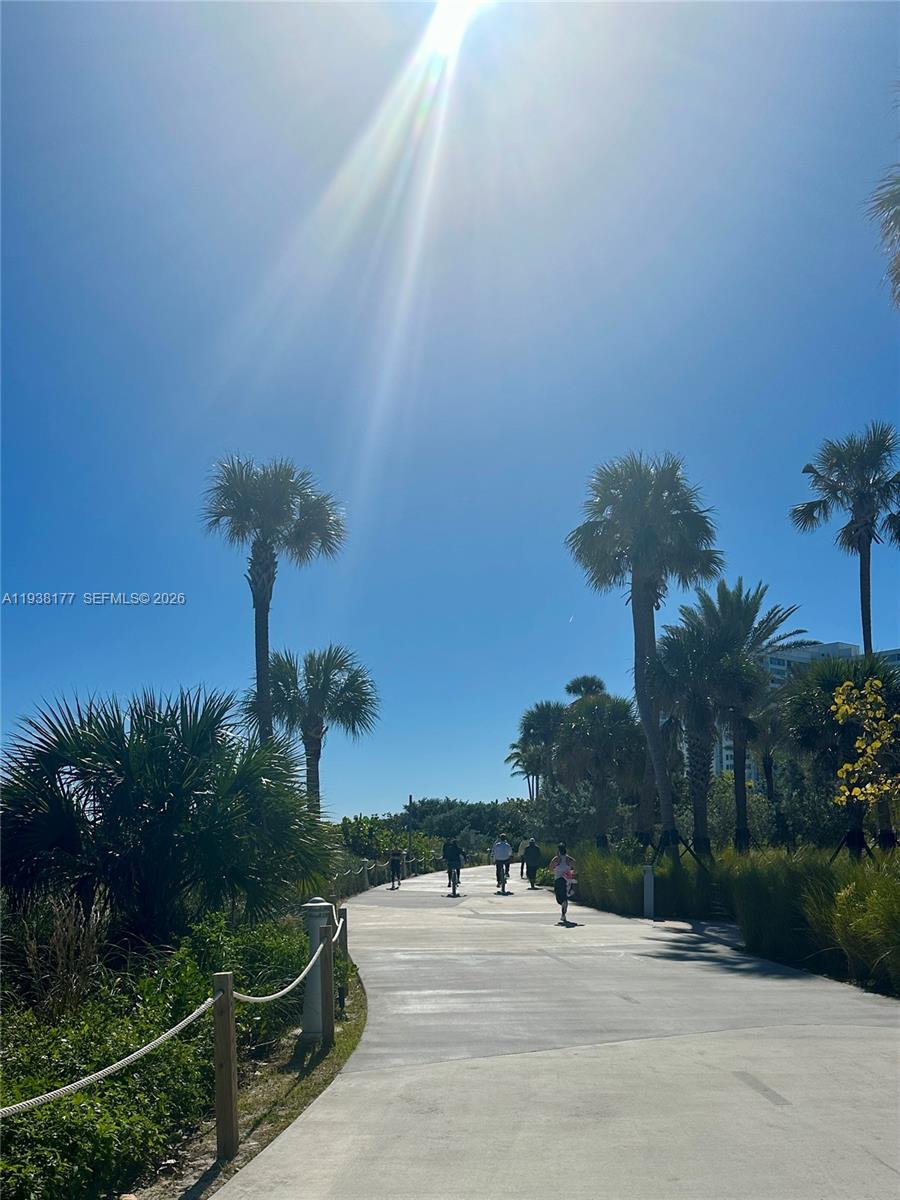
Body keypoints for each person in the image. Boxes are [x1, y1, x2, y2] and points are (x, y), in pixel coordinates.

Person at [549, 842, 576, 923]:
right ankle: (563, 913)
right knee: (564, 897)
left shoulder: (556, 859)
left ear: (558, 850)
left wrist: (555, 871)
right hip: (567, 880)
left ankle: (563, 909)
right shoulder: (569, 859)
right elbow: (576, 867)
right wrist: (572, 872)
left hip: (558, 879)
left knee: (559, 898)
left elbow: (550, 869)